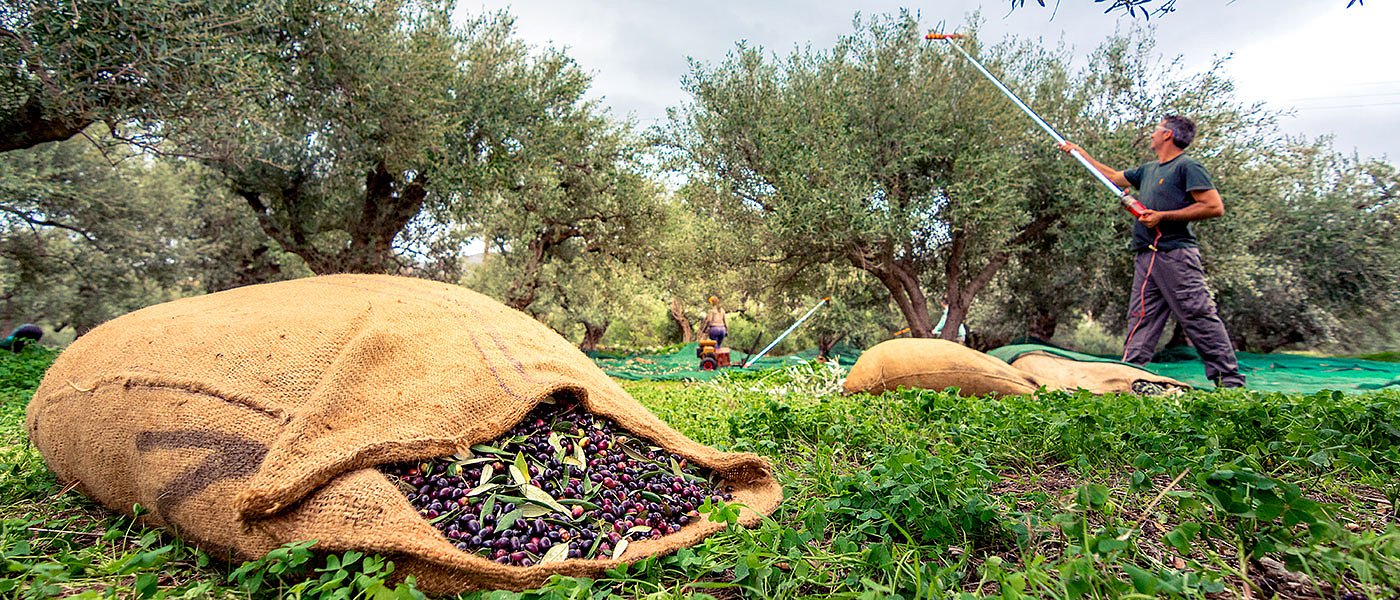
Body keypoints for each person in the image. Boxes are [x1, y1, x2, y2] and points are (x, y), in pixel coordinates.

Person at [1058, 115, 1245, 388]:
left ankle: (1229, 382)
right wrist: (1079, 152)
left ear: (1168, 135)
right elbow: (1111, 176)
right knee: (1140, 318)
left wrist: (1162, 216)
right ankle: (1130, 379)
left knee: (1197, 315)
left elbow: (1213, 206)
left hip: (1176, 255)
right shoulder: (1148, 170)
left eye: (1157, 129)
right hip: (1147, 256)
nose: (1152, 134)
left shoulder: (1187, 167)